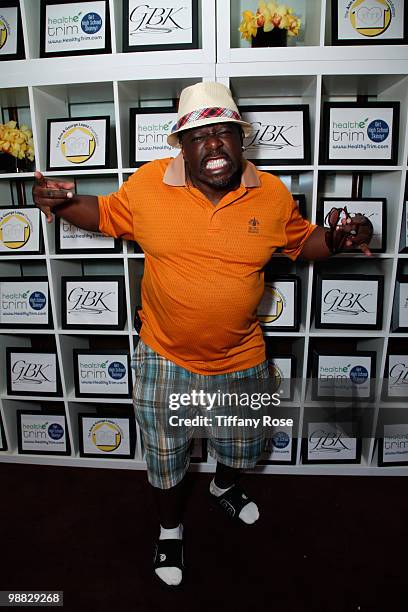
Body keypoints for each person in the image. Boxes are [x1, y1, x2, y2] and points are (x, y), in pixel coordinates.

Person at [33, 82, 372, 587]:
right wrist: (59, 203)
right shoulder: (148, 185)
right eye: (199, 135)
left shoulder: (274, 194)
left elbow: (306, 244)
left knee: (242, 448)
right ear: (181, 146)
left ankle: (223, 488)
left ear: (241, 139)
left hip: (241, 360)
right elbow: (103, 215)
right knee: (166, 459)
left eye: (224, 133)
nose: (213, 144)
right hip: (165, 357)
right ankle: (170, 529)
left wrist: (344, 238)